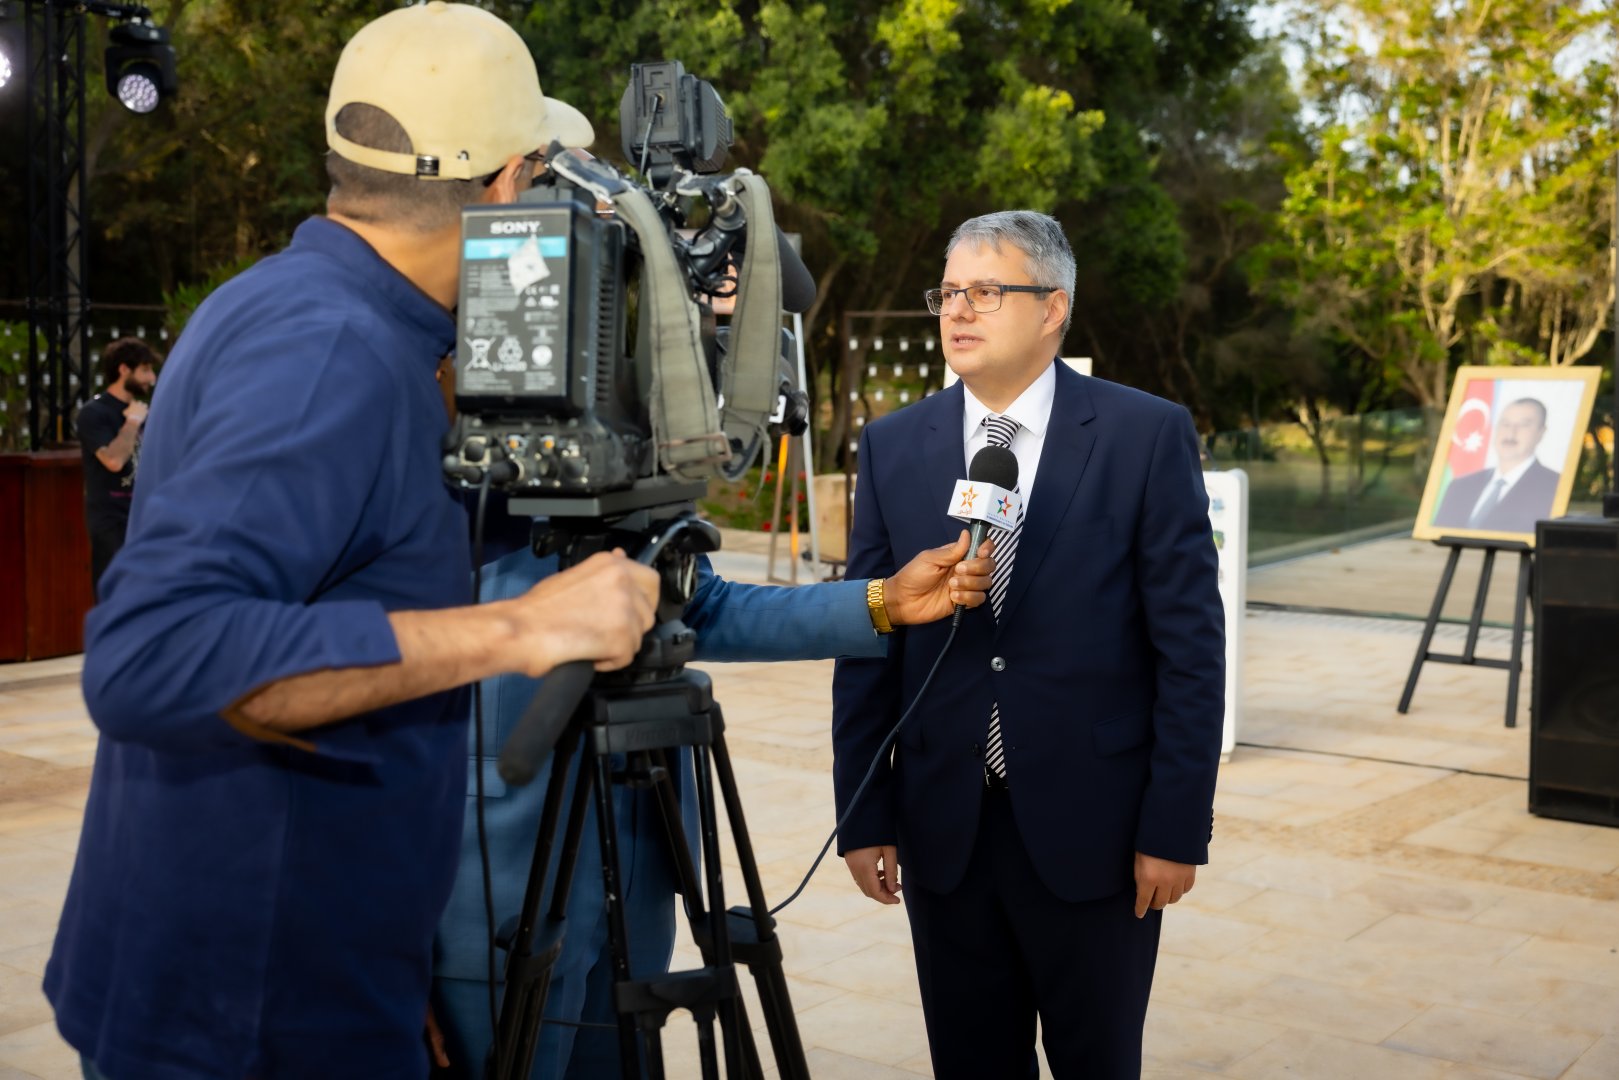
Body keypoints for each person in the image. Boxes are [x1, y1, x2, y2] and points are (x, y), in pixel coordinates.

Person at [45, 6, 668, 1078]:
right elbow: (154, 660)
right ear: (510, 185)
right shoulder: (332, 351)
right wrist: (514, 627)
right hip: (244, 1017)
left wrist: (383, 967)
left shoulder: (292, 305)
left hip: (294, 974)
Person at [830, 210, 1225, 1078]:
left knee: (1096, 1060)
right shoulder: (895, 444)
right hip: (944, 829)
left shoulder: (1142, 434)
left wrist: (1174, 825)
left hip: (1100, 831)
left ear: (1052, 308)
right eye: (946, 293)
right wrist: (862, 813)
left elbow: (1190, 650)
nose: (956, 311)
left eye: (985, 291)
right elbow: (869, 638)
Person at [432, 533, 995, 1078]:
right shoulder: (415, 460)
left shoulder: (643, 459)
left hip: (640, 862)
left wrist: (885, 600)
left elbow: (700, 607)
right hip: (488, 881)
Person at [76, 336, 159, 597]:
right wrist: (132, 423)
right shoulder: (94, 413)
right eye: (145, 370)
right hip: (111, 519)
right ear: (124, 369)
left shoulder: (145, 412)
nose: (152, 379)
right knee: (115, 594)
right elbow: (113, 460)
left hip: (144, 516)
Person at [1432, 397, 1562, 533]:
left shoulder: (1554, 486)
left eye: (1524, 425)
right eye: (1505, 424)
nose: (1511, 432)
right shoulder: (1460, 485)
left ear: (1541, 432)